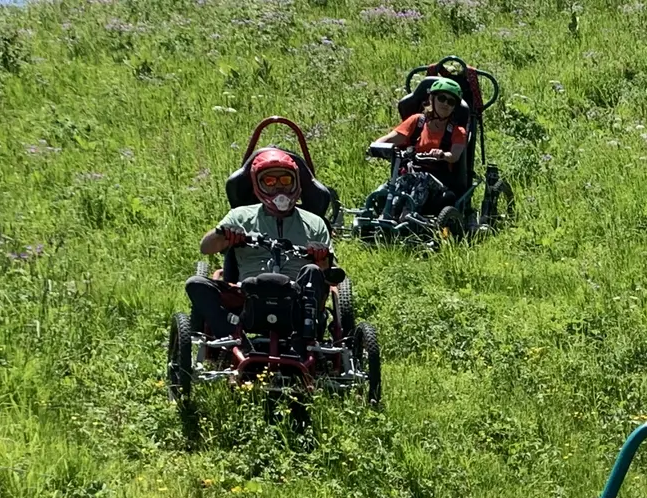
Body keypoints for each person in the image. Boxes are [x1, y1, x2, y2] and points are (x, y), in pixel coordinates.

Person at [186, 148, 332, 337]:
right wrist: (224, 235)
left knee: (312, 271)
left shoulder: (315, 223)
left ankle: (304, 338)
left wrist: (321, 259)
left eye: (285, 180)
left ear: (296, 182)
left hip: (297, 297)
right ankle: (230, 330)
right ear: (258, 185)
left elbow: (328, 276)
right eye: (270, 181)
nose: (279, 187)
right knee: (195, 283)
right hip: (247, 294)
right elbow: (205, 248)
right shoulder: (240, 216)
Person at [366, 77, 469, 222]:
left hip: (439, 181)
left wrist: (442, 154)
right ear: (432, 99)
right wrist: (376, 146)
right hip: (410, 174)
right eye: (442, 98)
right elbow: (392, 138)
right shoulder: (417, 121)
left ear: (454, 107)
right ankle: (386, 214)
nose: (445, 104)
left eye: (451, 102)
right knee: (397, 183)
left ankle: (407, 215)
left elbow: (455, 155)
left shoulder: (458, 132)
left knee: (421, 178)